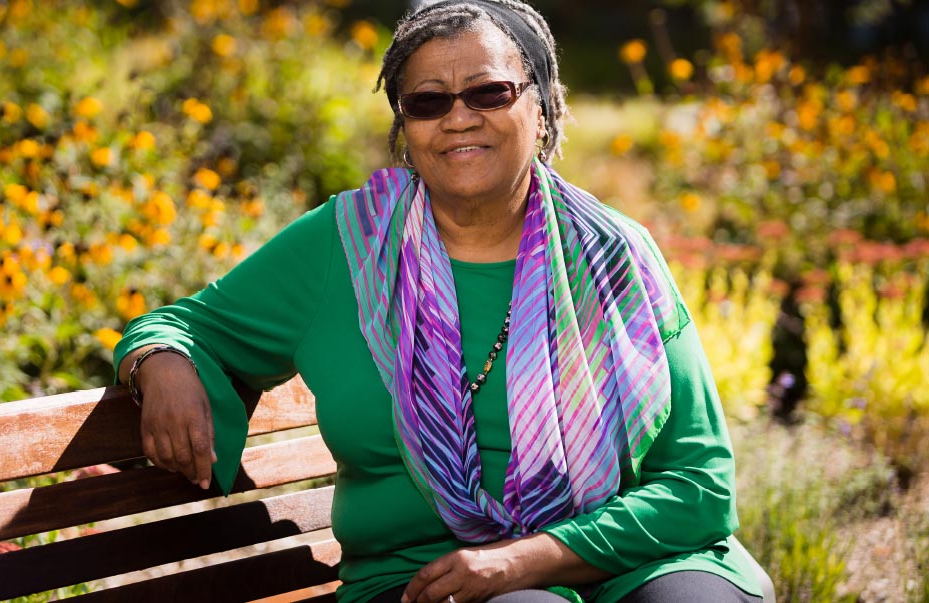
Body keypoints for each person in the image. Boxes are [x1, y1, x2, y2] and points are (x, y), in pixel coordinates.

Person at [114, 1, 768, 602]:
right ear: (405, 124)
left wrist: (526, 558)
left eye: (488, 92)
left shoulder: (614, 256)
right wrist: (162, 360)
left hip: (631, 557)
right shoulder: (343, 247)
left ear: (539, 109)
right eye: (427, 102)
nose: (458, 116)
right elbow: (183, 324)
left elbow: (699, 486)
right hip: (425, 577)